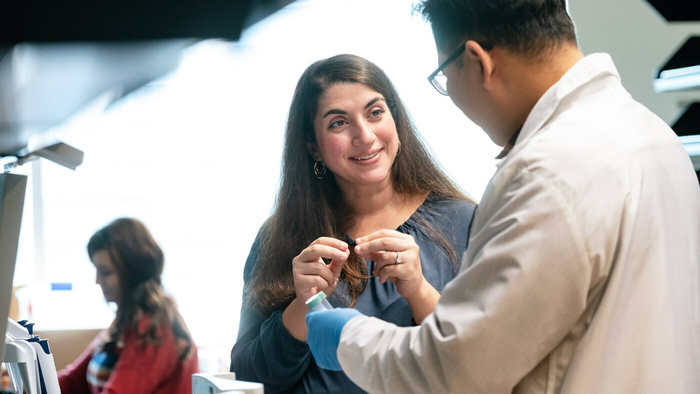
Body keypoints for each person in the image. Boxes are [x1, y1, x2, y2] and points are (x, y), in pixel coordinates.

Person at [306, 0, 700, 393]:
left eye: (444, 75)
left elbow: (458, 371)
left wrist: (348, 338)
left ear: (478, 62)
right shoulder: (654, 136)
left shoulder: (545, 172)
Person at [229, 53, 476, 392]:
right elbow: (246, 377)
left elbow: (481, 361)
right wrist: (303, 305)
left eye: (375, 113)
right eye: (338, 123)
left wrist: (419, 291)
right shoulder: (279, 237)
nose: (364, 135)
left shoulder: (463, 222)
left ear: (396, 122)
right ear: (313, 148)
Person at [58, 218, 199, 393]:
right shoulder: (125, 319)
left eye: (105, 272)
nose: (97, 280)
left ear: (132, 273)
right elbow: (72, 381)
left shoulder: (154, 328)